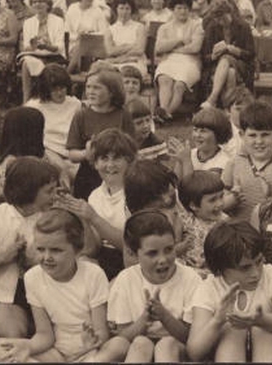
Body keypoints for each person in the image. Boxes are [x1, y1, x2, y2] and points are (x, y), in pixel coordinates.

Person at [0, 209, 128, 362]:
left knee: (119, 344)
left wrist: (93, 340)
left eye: (56, 250)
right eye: (41, 249)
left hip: (92, 352)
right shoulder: (33, 277)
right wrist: (27, 346)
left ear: (77, 249)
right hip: (56, 353)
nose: (47, 257)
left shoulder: (93, 274)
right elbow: (45, 335)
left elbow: (101, 331)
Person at [186, 220, 272, 362]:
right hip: (226, 353)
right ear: (220, 269)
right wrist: (217, 320)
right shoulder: (209, 288)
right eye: (245, 268)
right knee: (232, 329)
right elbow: (194, 352)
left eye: (259, 262)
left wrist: (262, 320)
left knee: (263, 329)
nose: (255, 273)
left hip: (270, 351)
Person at [107, 210, 202, 361]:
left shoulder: (190, 279)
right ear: (133, 253)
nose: (163, 259)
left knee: (166, 344)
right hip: (136, 345)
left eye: (169, 250)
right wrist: (144, 319)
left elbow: (189, 337)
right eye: (152, 253)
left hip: (176, 347)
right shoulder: (126, 279)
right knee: (141, 343)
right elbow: (123, 336)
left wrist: (164, 315)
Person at [0, 157, 59, 338]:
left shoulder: (49, 218)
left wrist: (33, 263)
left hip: (44, 290)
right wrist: (3, 258)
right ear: (29, 191)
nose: (54, 196)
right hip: (4, 292)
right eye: (49, 191)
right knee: (13, 334)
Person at [59, 128, 137, 280]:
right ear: (95, 163)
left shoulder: (137, 192)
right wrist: (82, 217)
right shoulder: (95, 195)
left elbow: (133, 247)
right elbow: (92, 249)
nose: (110, 165)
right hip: (105, 261)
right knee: (80, 264)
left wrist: (94, 218)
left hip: (132, 263)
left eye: (117, 158)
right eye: (104, 158)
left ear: (129, 161)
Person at [222, 101, 272, 222]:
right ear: (241, 134)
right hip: (240, 231)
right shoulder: (234, 163)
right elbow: (219, 204)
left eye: (265, 135)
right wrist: (232, 199)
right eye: (252, 135)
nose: (259, 141)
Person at [67, 66, 134, 199]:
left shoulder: (123, 115)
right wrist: (86, 153)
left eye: (97, 88)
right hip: (89, 176)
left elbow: (132, 150)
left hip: (117, 172)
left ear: (111, 92)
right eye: (88, 87)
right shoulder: (81, 115)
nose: (90, 92)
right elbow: (72, 154)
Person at [25, 63, 81, 182]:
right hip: (48, 153)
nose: (60, 93)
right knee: (62, 171)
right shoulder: (34, 106)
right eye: (54, 90)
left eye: (62, 88)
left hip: (72, 153)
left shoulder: (75, 104)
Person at [154, 0, 204, 122]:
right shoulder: (164, 28)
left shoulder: (197, 26)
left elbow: (195, 47)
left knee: (179, 85)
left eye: (186, 8)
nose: (183, 11)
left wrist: (172, 50)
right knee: (164, 79)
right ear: (173, 10)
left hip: (190, 62)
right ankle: (164, 111)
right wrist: (178, 41)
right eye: (179, 8)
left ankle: (164, 114)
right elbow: (159, 47)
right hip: (169, 61)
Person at [200, 0, 255, 109]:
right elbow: (204, 57)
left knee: (226, 57)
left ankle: (212, 99)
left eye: (222, 18)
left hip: (241, 65)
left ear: (229, 13)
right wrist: (213, 56)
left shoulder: (243, 26)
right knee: (230, 73)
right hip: (216, 66)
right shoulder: (212, 27)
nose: (219, 21)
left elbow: (251, 54)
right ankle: (228, 109)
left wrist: (232, 49)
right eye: (217, 19)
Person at [123, 160, 186, 253]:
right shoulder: (136, 221)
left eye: (165, 190)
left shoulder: (183, 196)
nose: (166, 199)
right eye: (156, 198)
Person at [19, 0, 67, 102]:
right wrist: (33, 46)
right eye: (34, 2)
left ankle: (43, 98)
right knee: (26, 62)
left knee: (29, 63)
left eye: (41, 1)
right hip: (35, 55)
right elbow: (26, 46)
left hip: (54, 57)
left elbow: (59, 47)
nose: (38, 4)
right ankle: (26, 100)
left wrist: (46, 46)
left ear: (47, 4)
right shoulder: (28, 22)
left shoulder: (58, 21)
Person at [177, 171, 229, 276]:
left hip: (212, 273)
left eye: (221, 196)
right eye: (212, 200)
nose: (220, 203)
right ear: (193, 206)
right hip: (188, 273)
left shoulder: (224, 222)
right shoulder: (183, 221)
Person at [169, 107, 232, 180]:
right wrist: (179, 161)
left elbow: (194, 189)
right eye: (195, 130)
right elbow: (176, 185)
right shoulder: (189, 154)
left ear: (218, 134)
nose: (197, 135)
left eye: (203, 131)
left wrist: (186, 161)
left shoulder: (224, 162)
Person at [65, 0, 111, 74]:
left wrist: (91, 34)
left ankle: (67, 72)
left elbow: (104, 32)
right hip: (73, 44)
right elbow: (66, 31)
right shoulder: (72, 8)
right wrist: (77, 36)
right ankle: (72, 71)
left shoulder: (97, 11)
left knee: (83, 43)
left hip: (93, 48)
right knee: (79, 45)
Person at [107, 0, 149, 83]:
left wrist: (119, 52)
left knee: (125, 73)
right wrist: (130, 46)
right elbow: (110, 51)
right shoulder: (110, 29)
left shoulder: (139, 27)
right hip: (117, 62)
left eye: (127, 9)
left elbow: (139, 50)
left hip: (135, 62)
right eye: (121, 8)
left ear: (131, 10)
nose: (124, 12)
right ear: (116, 9)